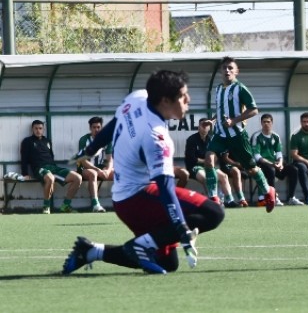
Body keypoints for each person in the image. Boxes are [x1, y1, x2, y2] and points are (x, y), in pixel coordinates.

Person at [62, 70, 225, 275]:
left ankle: (91, 252)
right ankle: (140, 245)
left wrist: (91, 149)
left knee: (168, 263)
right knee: (213, 212)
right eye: (183, 96)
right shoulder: (157, 136)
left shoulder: (138, 97)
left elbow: (114, 124)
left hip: (124, 201)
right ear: (165, 100)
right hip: (139, 199)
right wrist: (181, 228)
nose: (188, 99)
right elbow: (165, 189)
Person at [204, 56, 276, 213]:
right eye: (224, 68)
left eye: (231, 68)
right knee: (209, 160)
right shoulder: (217, 89)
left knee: (251, 169)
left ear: (236, 71)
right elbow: (222, 110)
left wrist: (234, 121)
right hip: (221, 135)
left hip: (237, 136)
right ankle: (213, 198)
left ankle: (268, 191)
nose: (227, 70)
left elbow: (254, 110)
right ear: (220, 71)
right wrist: (213, 121)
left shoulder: (240, 88)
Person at [20, 120, 82, 214]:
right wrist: (24, 174)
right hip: (39, 168)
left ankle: (65, 205)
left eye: (40, 128)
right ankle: (46, 207)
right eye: (36, 128)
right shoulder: (27, 141)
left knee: (78, 178)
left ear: (43, 129)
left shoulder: (47, 141)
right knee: (50, 178)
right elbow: (24, 158)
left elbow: (51, 156)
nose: (38, 130)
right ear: (32, 129)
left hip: (53, 167)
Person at [185, 117, 242, 208]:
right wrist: (206, 161)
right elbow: (192, 158)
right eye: (202, 125)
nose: (204, 127)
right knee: (206, 178)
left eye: (206, 125)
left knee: (224, 176)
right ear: (198, 127)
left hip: (209, 166)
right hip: (195, 167)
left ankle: (230, 200)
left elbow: (217, 156)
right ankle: (212, 201)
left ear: (209, 128)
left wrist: (210, 162)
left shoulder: (211, 139)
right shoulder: (191, 140)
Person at [251, 113, 300, 206]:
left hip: (275, 164)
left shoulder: (276, 136)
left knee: (294, 170)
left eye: (268, 122)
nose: (266, 124)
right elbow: (257, 156)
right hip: (262, 164)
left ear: (272, 123)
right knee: (271, 170)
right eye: (264, 122)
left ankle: (291, 198)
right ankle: (273, 198)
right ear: (261, 123)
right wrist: (272, 164)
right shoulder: (257, 136)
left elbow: (279, 153)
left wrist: (280, 163)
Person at [77, 116, 114, 213]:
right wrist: (98, 171)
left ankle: (124, 201)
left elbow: (110, 159)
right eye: (94, 127)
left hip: (101, 168)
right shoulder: (84, 140)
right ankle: (96, 204)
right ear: (90, 128)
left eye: (98, 127)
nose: (96, 129)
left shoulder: (107, 140)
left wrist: (108, 170)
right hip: (85, 168)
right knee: (93, 173)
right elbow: (84, 161)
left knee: (119, 174)